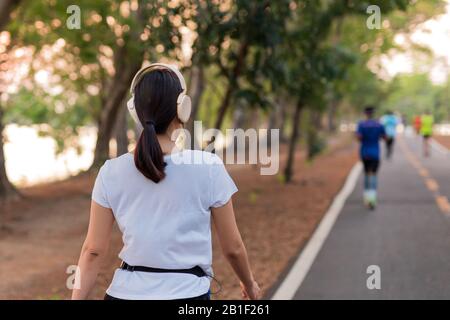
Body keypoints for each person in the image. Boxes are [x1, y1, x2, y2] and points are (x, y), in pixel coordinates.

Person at [72, 63, 260, 300]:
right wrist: (249, 284)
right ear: (182, 109)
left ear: (135, 110)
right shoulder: (208, 167)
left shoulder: (111, 171)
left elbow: (93, 251)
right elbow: (232, 248)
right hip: (187, 295)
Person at [356, 106, 386, 210]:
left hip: (364, 153)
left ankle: (366, 197)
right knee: (373, 175)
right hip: (375, 153)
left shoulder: (361, 124)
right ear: (373, 113)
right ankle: (372, 199)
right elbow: (384, 137)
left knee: (366, 174)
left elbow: (359, 137)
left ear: (365, 113)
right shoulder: (379, 125)